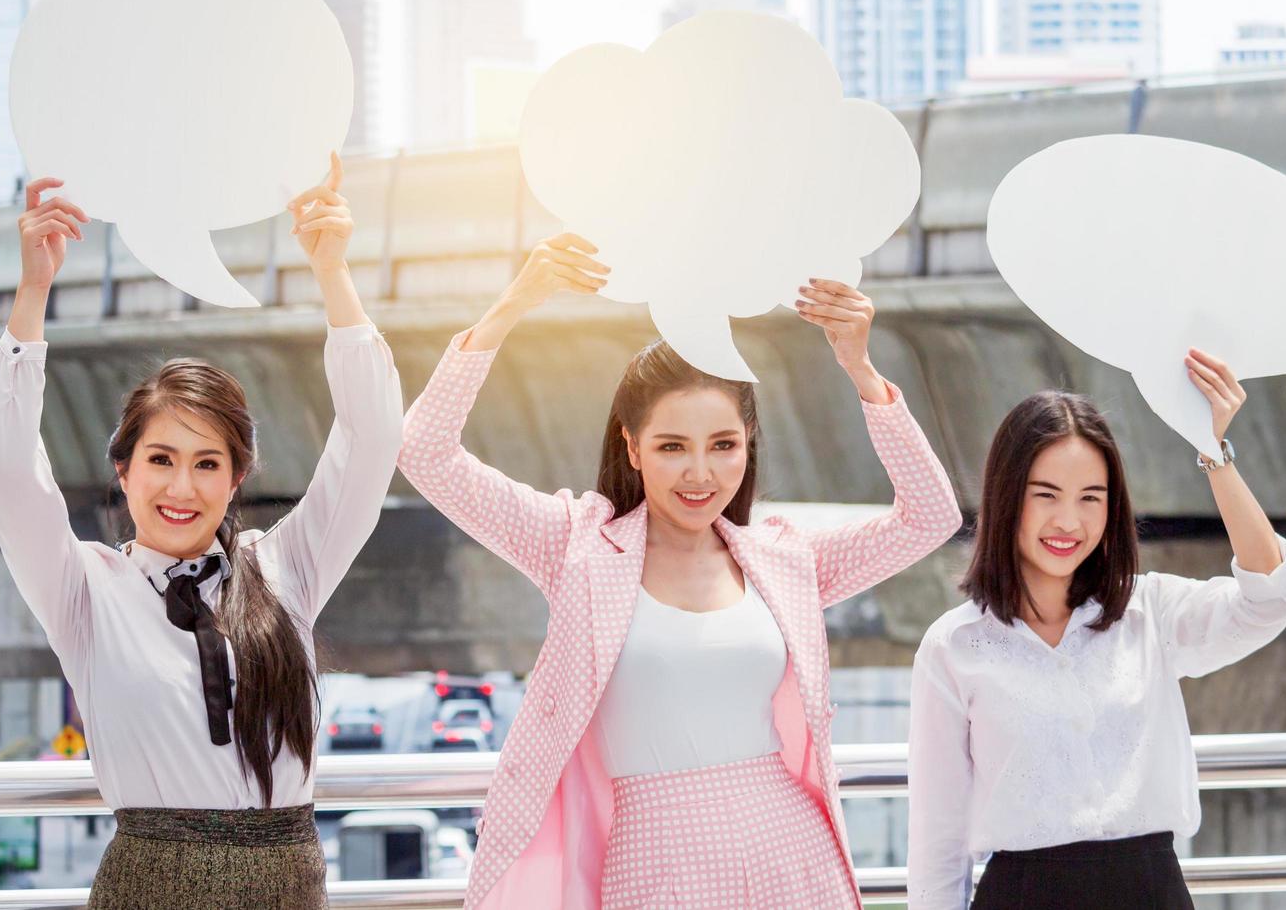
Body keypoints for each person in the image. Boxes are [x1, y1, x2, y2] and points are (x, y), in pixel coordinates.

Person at [397, 233, 963, 908]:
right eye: (671, 447)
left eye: (722, 446)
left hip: (792, 852)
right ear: (632, 447)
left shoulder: (785, 561)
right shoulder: (575, 548)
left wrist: (862, 372)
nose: (700, 474)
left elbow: (930, 516)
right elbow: (425, 452)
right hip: (651, 864)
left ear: (747, 446)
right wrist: (512, 306)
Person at [0, 154, 403, 909]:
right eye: (161, 459)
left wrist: (333, 274)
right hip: (147, 885)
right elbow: (9, 472)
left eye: (207, 463)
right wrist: (34, 290)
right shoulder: (84, 588)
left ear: (237, 478)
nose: (182, 487)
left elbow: (371, 440)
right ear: (123, 470)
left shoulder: (286, 570)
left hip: (288, 885)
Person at [906, 352, 1286, 910]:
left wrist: (1216, 457)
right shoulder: (955, 647)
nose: (1069, 521)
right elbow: (937, 836)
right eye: (1045, 495)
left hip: (1149, 891)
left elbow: (1270, 598)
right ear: (1006, 497)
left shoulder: (1151, 611)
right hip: (1021, 896)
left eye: (1091, 498)